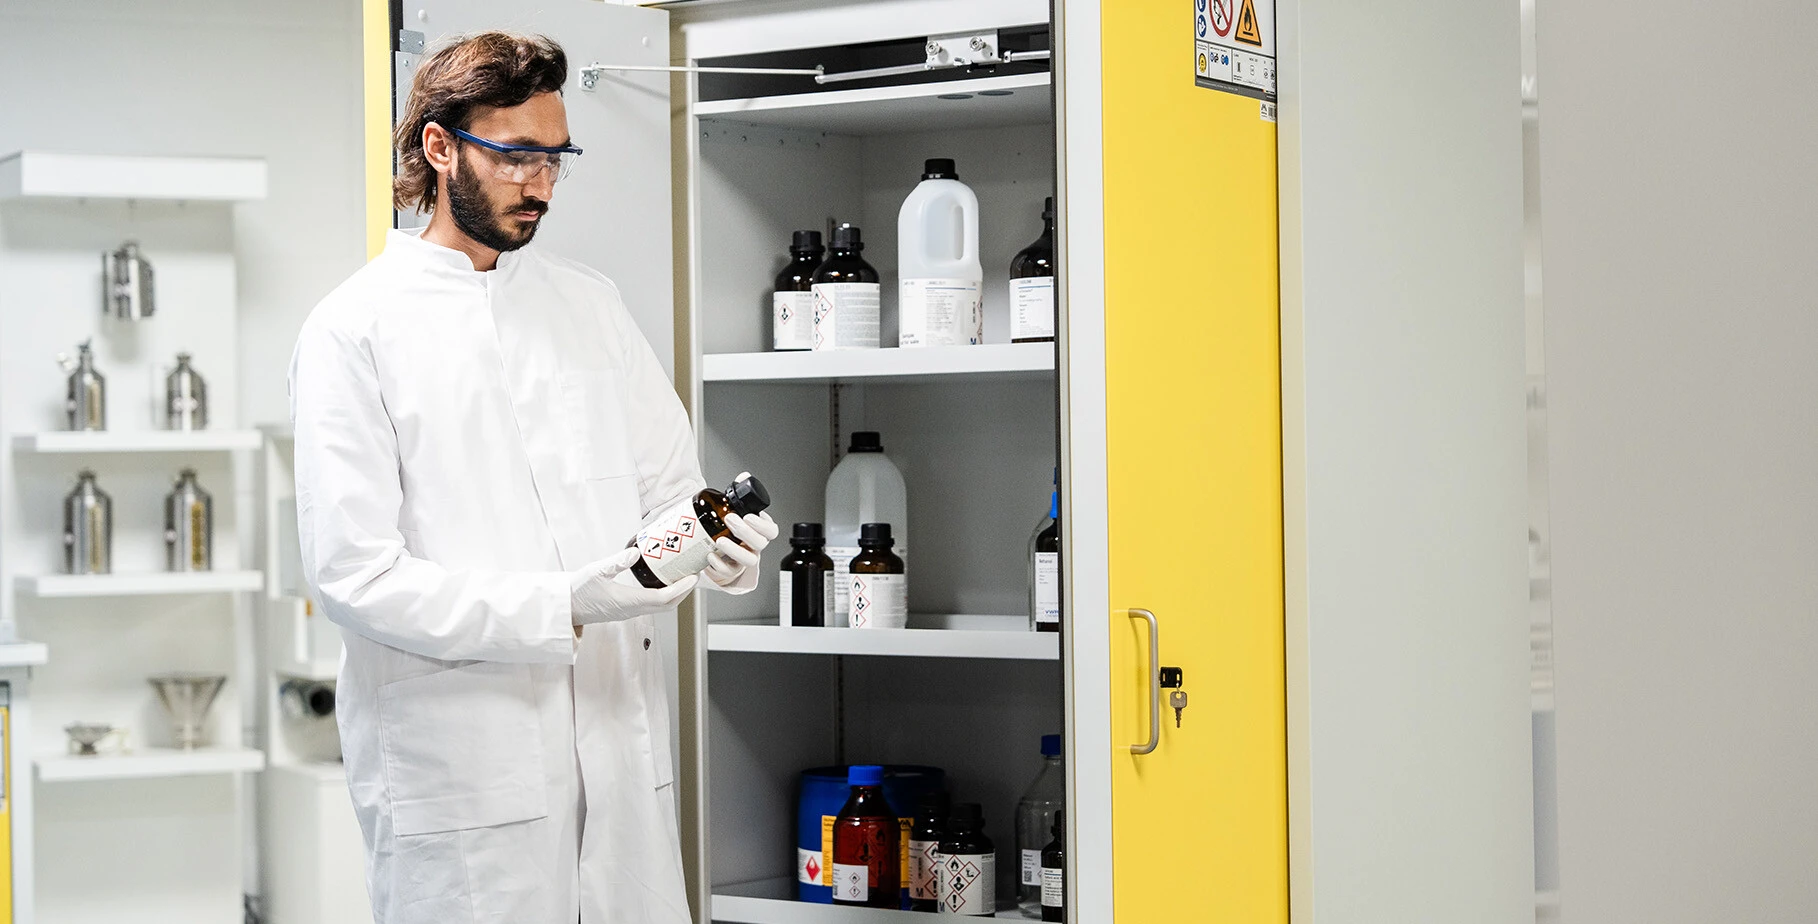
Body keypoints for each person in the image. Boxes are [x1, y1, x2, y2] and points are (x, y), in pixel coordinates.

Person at [288, 32, 777, 924]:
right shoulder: (353, 330)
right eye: (517, 156)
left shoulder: (588, 304)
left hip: (618, 751)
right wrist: (567, 603)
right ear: (439, 148)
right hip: (464, 768)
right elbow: (357, 575)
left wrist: (715, 546)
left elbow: (671, 490)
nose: (542, 183)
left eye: (556, 157)